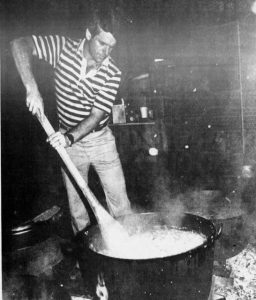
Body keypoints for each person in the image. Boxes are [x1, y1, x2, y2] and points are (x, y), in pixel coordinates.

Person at [11, 10, 131, 235]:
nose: (106, 53)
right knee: (77, 209)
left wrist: (68, 138)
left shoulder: (113, 72)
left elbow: (96, 116)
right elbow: (19, 44)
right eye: (102, 44)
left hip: (100, 141)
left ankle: (129, 255)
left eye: (111, 47)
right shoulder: (62, 48)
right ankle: (88, 260)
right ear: (88, 34)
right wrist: (31, 86)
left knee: (121, 203)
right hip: (68, 144)